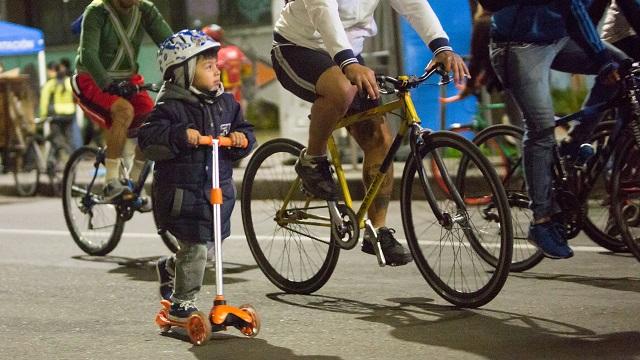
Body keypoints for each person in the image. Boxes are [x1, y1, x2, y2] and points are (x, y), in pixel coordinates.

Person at [271, 0, 469, 266]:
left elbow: (413, 4)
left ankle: (378, 231)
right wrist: (348, 63)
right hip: (298, 47)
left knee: (380, 140)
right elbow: (323, 11)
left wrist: (441, 46)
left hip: (347, 53)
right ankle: (312, 159)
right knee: (342, 90)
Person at [489, 1, 627, 259]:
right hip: (519, 45)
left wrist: (603, 56)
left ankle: (573, 146)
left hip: (561, 38)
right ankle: (541, 221)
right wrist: (599, 55)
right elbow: (573, 7)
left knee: (625, 69)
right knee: (541, 128)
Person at [138, 30, 256, 319]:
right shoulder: (170, 108)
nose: (218, 71)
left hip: (216, 196)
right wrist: (179, 135)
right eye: (208, 67)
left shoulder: (227, 104)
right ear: (184, 72)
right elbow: (148, 139)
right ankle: (182, 303)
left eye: (216, 65)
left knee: (206, 250)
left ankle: (169, 268)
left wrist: (242, 139)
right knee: (196, 250)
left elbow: (246, 131)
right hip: (182, 196)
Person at [73, 0, 172, 201]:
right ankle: (110, 182)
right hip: (91, 79)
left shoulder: (145, 9)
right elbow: (88, 54)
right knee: (123, 111)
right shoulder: (97, 11)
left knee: (154, 120)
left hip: (128, 79)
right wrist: (107, 83)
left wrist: (188, 60)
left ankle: (134, 182)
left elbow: (170, 43)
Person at [201, 24, 253, 106]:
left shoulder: (211, 55)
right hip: (237, 98)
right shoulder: (235, 50)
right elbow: (248, 66)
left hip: (219, 101)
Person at [39, 63, 80, 157]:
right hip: (69, 115)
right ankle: (72, 157)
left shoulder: (50, 84)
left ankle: (55, 159)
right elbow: (76, 96)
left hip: (55, 116)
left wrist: (43, 116)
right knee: (69, 137)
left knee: (56, 138)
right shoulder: (69, 82)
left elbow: (44, 101)